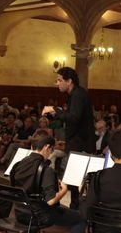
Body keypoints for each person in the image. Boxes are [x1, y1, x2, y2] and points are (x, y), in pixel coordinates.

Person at [10, 133, 85, 233]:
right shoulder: (46, 170)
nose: (51, 153)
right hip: (39, 216)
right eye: (51, 149)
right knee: (80, 219)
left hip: (20, 212)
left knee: (34, 208)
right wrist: (64, 190)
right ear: (46, 147)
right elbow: (50, 201)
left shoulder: (18, 165)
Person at [41, 67, 96, 209]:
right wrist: (53, 117)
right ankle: (74, 206)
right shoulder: (74, 94)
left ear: (69, 81)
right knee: (71, 177)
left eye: (59, 80)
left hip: (81, 144)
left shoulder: (78, 94)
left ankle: (72, 207)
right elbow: (69, 119)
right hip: (76, 143)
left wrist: (55, 110)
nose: (57, 83)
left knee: (70, 176)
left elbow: (74, 118)